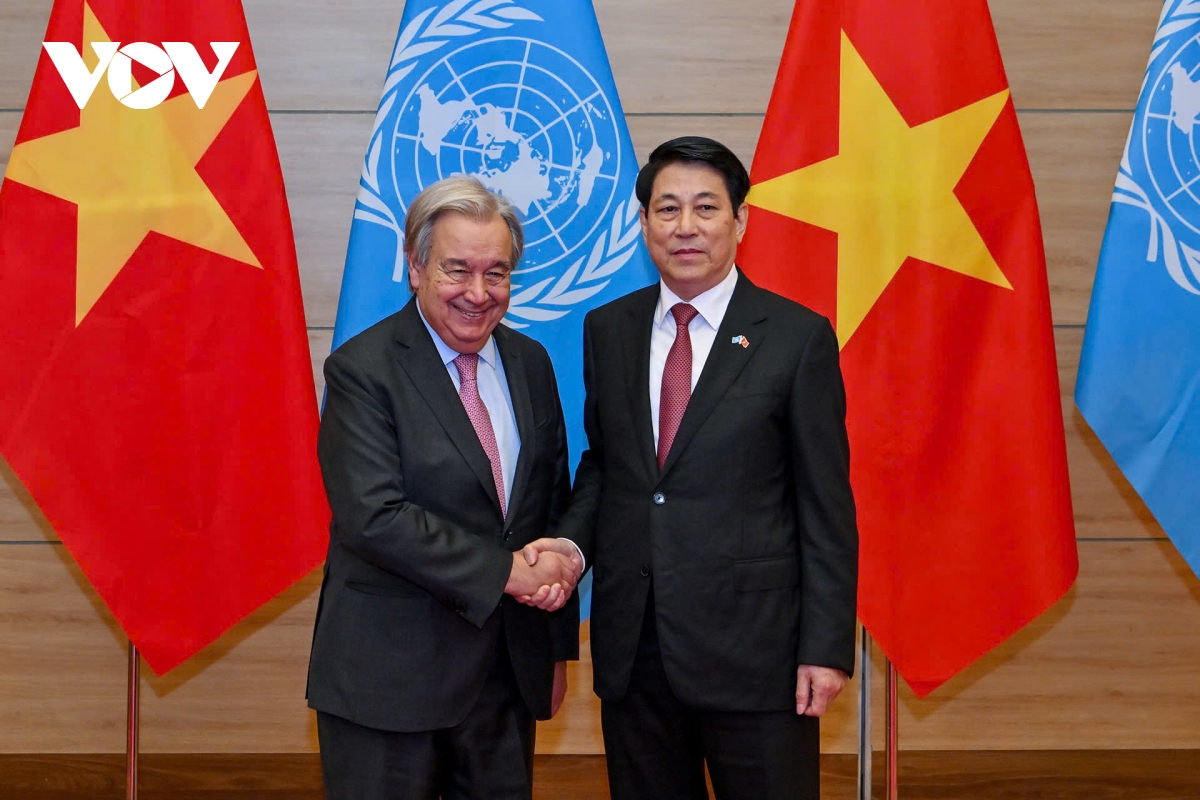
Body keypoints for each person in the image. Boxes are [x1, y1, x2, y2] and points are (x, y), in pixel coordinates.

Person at [528, 137, 859, 800]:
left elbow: (825, 505)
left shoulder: (796, 338)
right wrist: (570, 546)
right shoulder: (609, 330)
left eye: (706, 208)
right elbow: (608, 466)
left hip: (758, 657)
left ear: (740, 220)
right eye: (667, 208)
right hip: (636, 653)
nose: (685, 226)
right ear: (643, 222)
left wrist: (825, 648)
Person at [307, 175, 584, 800]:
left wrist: (554, 652)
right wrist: (507, 573)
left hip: (506, 683)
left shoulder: (531, 363)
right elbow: (374, 517)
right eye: (457, 270)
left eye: (496, 273)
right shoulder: (362, 370)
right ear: (415, 266)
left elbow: (549, 507)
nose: (478, 293)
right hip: (388, 685)